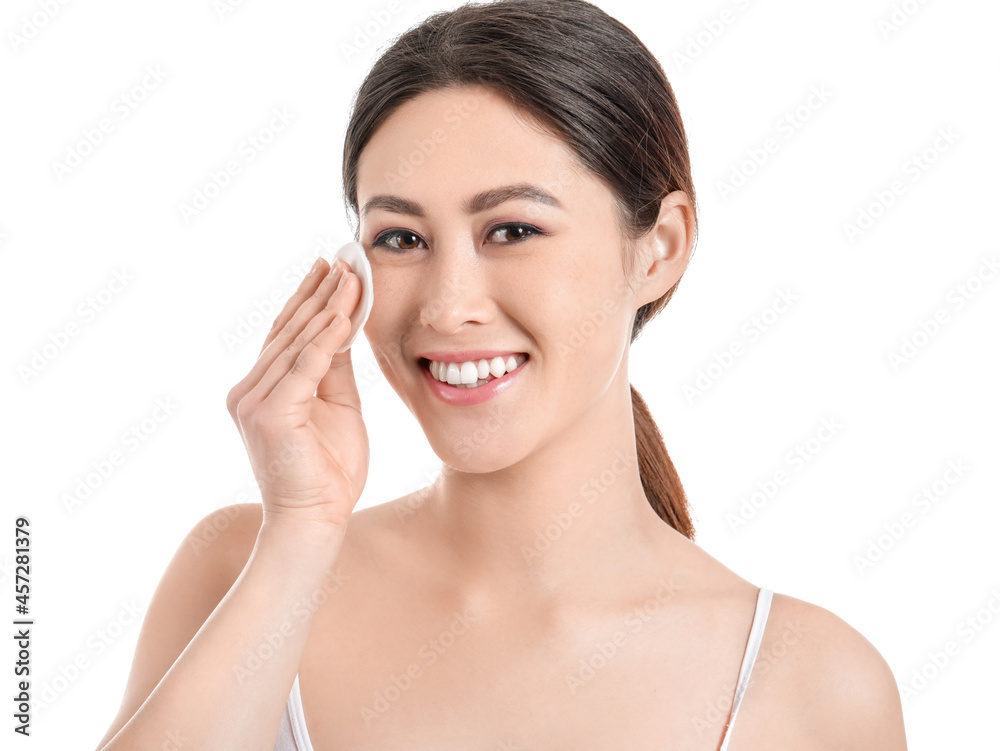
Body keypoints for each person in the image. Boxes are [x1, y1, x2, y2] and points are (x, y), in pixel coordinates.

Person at [95, 1, 907, 748]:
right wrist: (302, 530)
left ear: (659, 248)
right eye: (402, 239)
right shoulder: (245, 565)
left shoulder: (808, 685)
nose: (447, 308)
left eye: (512, 228)